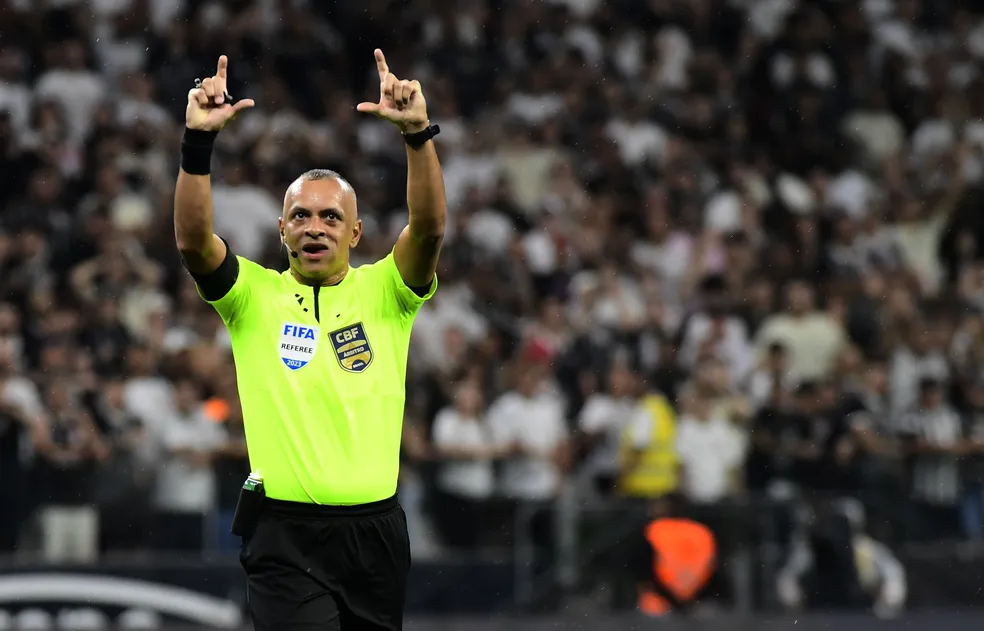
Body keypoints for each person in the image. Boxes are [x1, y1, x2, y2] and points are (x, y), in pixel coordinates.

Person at [172, 51, 446, 631]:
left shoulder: (388, 291)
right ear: (281, 229)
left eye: (328, 216)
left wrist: (418, 135)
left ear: (355, 231)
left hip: (376, 537)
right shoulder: (252, 295)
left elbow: (429, 229)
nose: (314, 226)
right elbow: (195, 242)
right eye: (299, 216)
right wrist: (198, 143)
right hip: (285, 540)